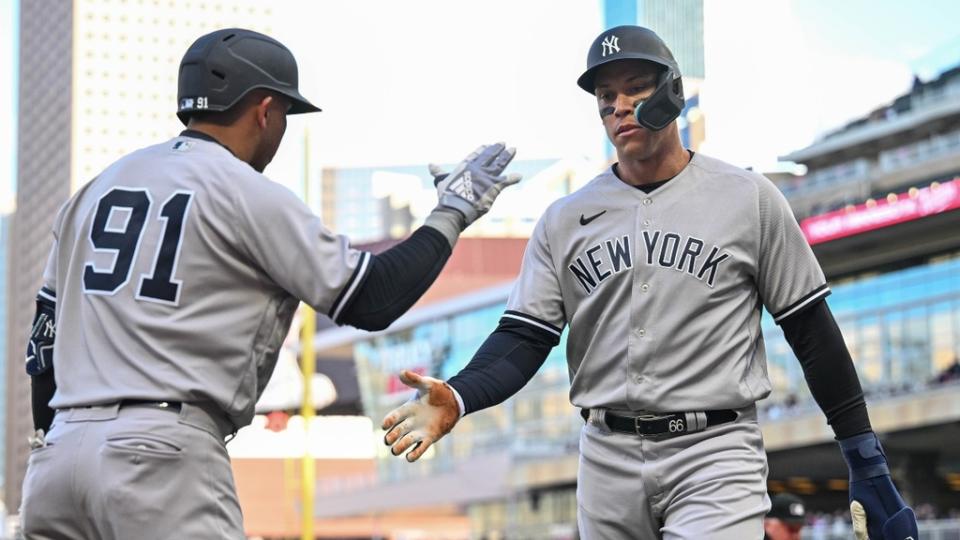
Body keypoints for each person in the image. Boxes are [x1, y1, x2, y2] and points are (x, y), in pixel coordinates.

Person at [380, 25, 919, 540]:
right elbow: (525, 337)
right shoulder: (565, 218)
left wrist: (864, 458)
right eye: (605, 96)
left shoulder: (747, 199)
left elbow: (810, 330)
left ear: (673, 92)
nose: (618, 106)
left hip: (715, 448)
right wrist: (459, 394)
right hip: (605, 455)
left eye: (636, 88)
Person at [20, 28, 520, 539]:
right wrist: (451, 213)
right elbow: (373, 298)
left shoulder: (94, 190)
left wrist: (60, 435)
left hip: (58, 459)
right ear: (263, 110)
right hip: (159, 457)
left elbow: (43, 348)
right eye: (284, 113)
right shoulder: (244, 191)